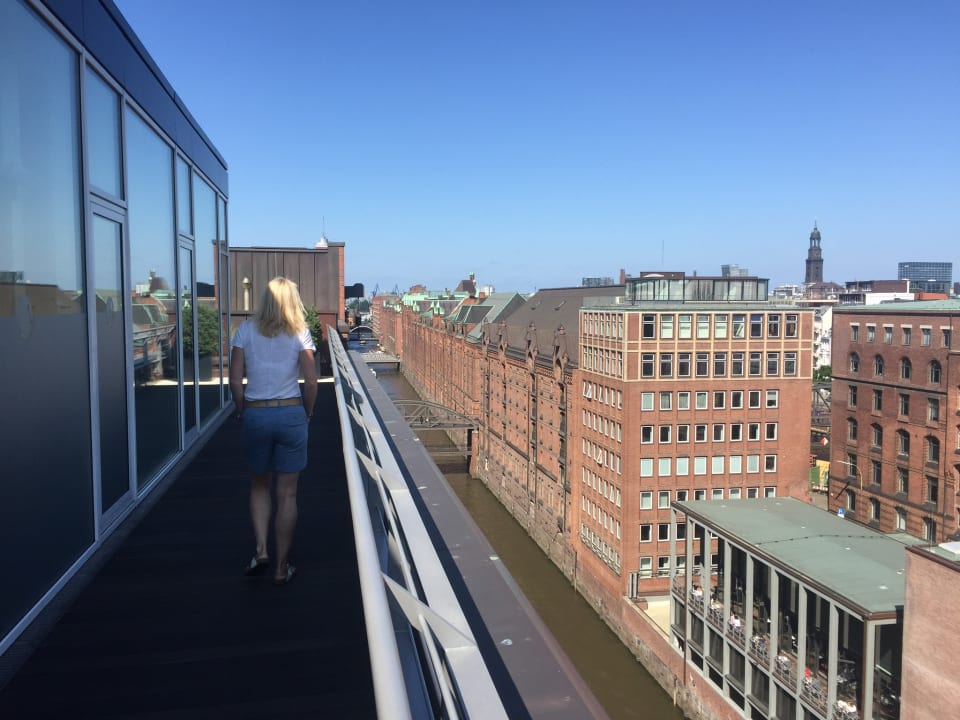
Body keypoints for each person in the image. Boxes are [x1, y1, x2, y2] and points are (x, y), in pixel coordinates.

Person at [229, 277, 318, 585]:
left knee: (259, 486)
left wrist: (243, 410)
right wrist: (306, 413)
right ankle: (282, 568)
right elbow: (311, 382)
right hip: (291, 411)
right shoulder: (300, 333)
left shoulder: (244, 331)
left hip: (256, 413)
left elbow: (235, 380)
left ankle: (261, 549)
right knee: (288, 492)